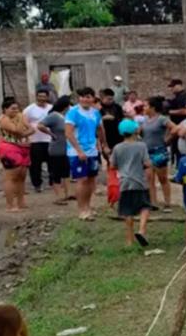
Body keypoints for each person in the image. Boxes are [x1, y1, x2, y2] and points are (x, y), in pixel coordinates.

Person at [65, 87, 108, 221]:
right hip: (76, 152)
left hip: (92, 151)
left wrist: (104, 144)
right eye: (82, 96)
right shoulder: (73, 113)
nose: (85, 99)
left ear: (93, 98)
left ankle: (88, 207)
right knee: (82, 179)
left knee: (91, 180)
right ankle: (81, 210)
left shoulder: (95, 113)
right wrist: (78, 150)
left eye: (88, 96)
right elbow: (69, 133)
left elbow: (101, 129)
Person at [110, 119, 151, 247]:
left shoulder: (117, 148)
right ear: (135, 131)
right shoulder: (141, 146)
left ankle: (129, 240)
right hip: (139, 181)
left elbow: (112, 165)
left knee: (127, 211)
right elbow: (147, 163)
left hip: (124, 183)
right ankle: (142, 230)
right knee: (145, 206)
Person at [0, 97, 36, 212]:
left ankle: (21, 202)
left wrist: (23, 135)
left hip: (22, 146)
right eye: (12, 109)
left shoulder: (20, 116)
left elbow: (32, 129)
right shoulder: (3, 119)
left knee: (21, 176)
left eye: (17, 109)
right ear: (5, 109)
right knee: (11, 176)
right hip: (9, 147)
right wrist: (20, 119)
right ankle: (10, 205)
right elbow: (17, 130)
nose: (15, 111)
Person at [141, 96, 178, 212]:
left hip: (159, 151)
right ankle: (153, 202)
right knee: (149, 178)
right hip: (147, 152)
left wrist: (167, 140)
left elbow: (175, 128)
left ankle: (167, 203)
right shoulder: (145, 121)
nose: (144, 108)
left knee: (162, 178)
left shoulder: (162, 119)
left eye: (146, 106)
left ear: (152, 107)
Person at [38, 95, 72, 206]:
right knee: (56, 173)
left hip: (66, 148)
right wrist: (51, 134)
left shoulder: (65, 116)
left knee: (66, 172)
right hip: (56, 148)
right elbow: (40, 125)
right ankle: (58, 196)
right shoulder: (54, 116)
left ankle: (68, 193)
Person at [23, 90, 53, 193]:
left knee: (52, 163)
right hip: (35, 140)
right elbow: (24, 123)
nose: (41, 98)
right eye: (39, 96)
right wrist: (26, 138)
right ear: (36, 97)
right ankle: (37, 184)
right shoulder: (29, 109)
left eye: (44, 96)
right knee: (35, 164)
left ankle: (53, 182)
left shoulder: (51, 108)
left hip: (49, 139)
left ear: (47, 97)